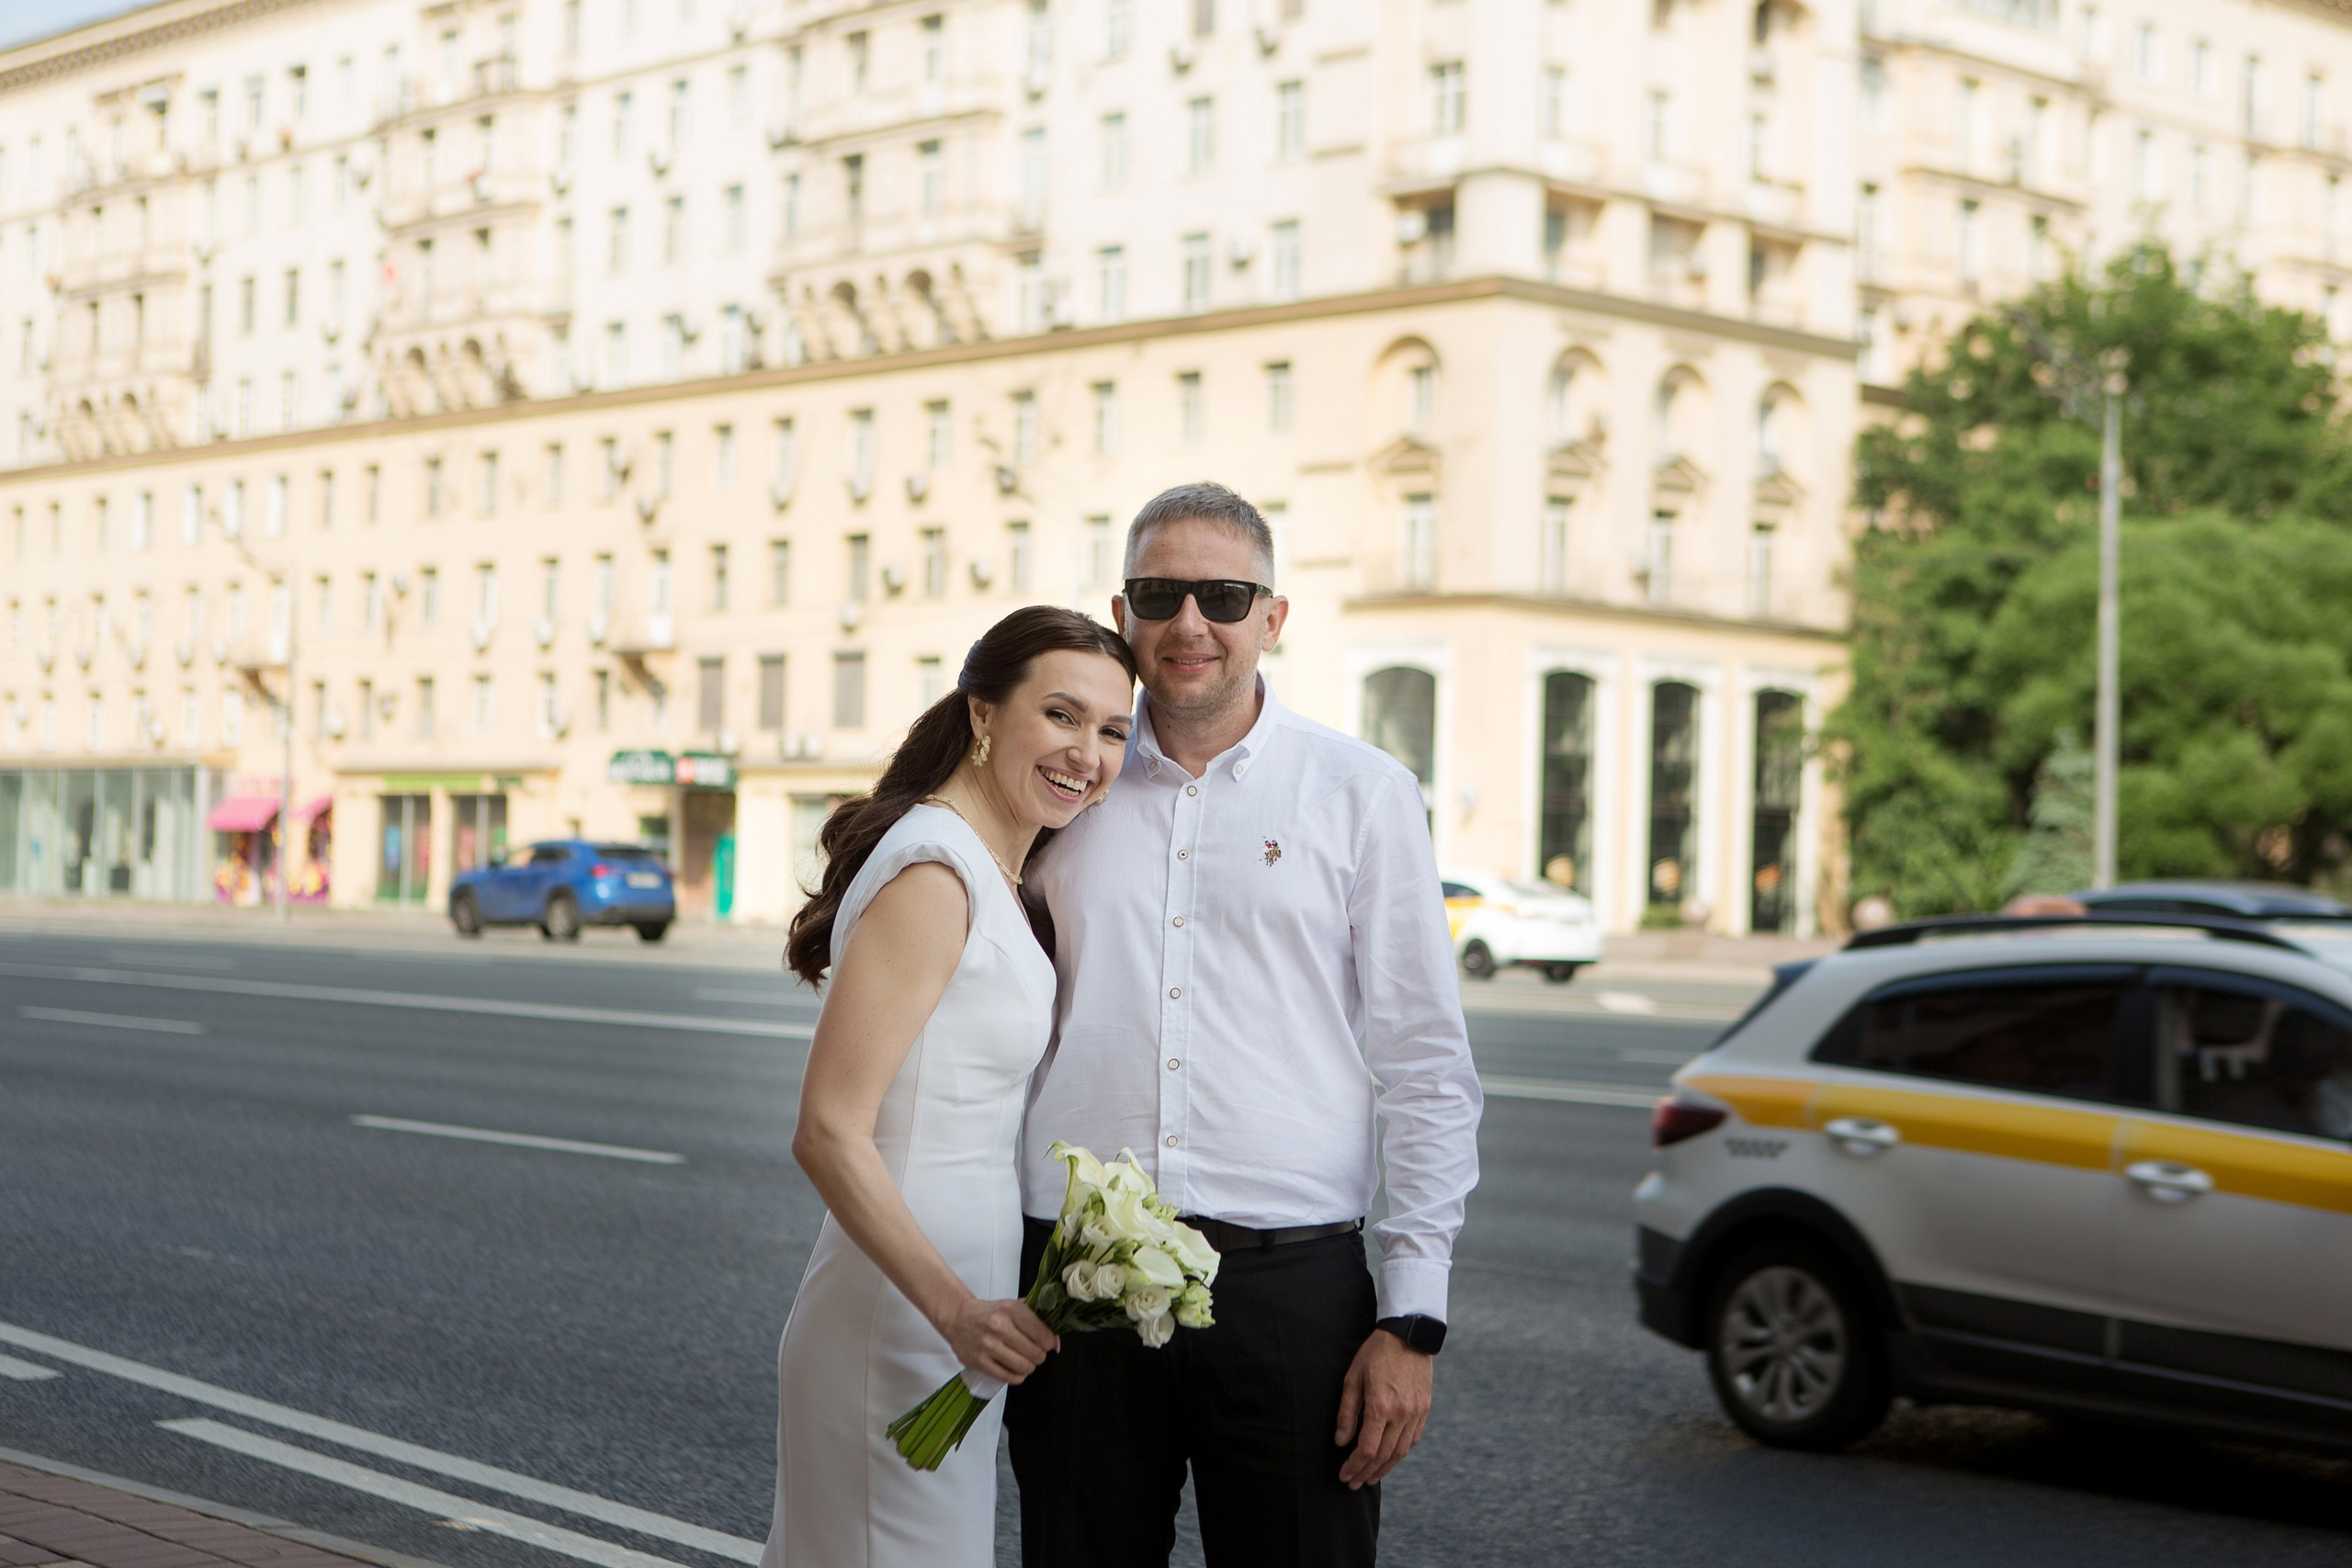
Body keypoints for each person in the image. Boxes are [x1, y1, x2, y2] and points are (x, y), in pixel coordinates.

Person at [1009, 482, 1484, 1567]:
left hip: (1288, 1296)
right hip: (1072, 1287)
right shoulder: (1057, 790)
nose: (1190, 623)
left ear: (1273, 617)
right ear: (1121, 613)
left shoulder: (1362, 792)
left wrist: (1410, 1319)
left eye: (1223, 595)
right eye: (1159, 594)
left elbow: (1423, 1065)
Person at [760, 606, 1138, 1568]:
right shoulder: (935, 872)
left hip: (955, 1305)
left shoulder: (995, 869)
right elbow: (829, 1131)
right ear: (981, 713)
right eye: (1059, 715)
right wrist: (952, 1309)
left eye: (1110, 731)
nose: (1086, 753)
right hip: (907, 1304)